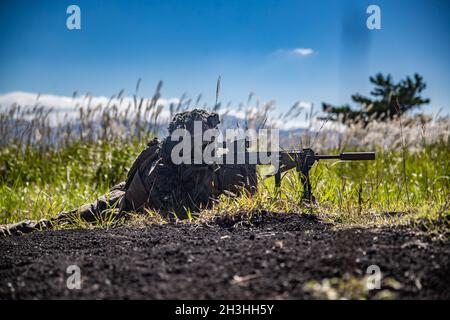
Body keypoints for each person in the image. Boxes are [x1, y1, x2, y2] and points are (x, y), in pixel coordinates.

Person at [0, 109, 257, 236]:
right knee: (58, 223)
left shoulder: (205, 160)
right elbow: (169, 215)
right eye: (202, 138)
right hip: (120, 204)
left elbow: (243, 198)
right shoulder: (163, 167)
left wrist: (241, 166)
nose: (210, 143)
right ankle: (14, 230)